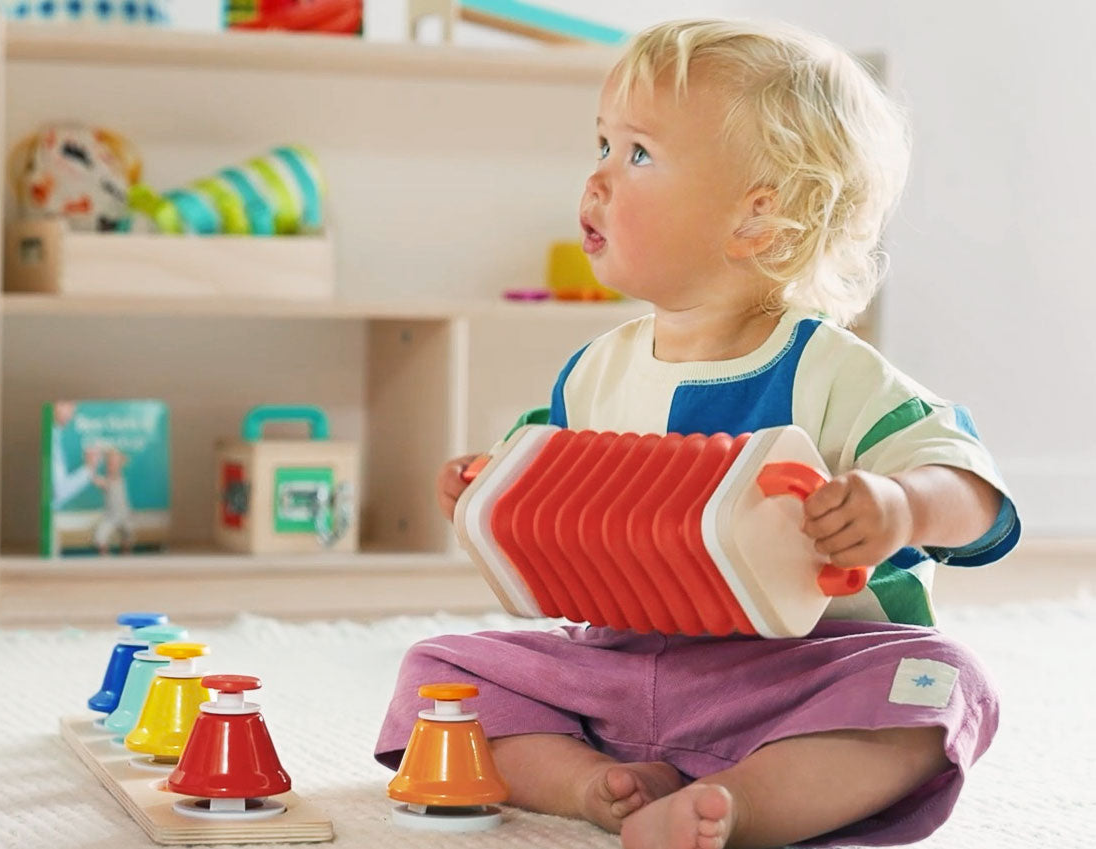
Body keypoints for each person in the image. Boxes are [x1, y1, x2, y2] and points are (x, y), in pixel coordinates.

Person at [374, 18, 1020, 849]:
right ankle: (592, 786)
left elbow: (971, 489)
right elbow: (542, 483)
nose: (598, 178)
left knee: (943, 686)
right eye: (600, 145)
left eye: (637, 155)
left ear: (758, 217)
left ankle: (741, 804)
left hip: (795, 682)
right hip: (616, 668)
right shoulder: (595, 372)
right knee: (438, 670)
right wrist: (484, 487)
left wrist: (900, 505)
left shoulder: (833, 372)